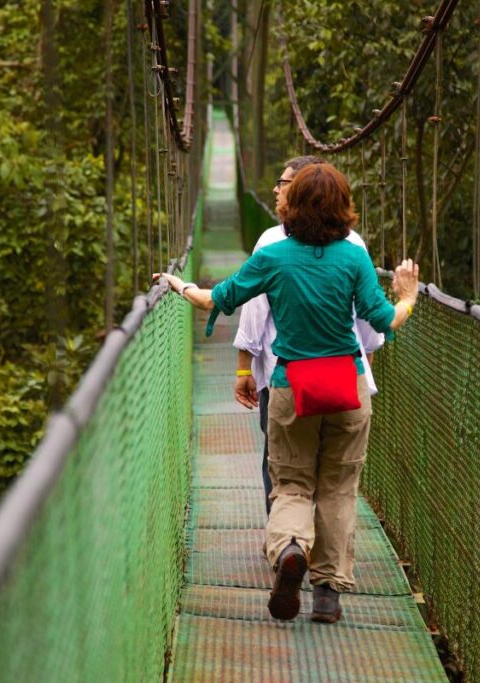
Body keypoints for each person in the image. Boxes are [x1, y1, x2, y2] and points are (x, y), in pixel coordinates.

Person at [155, 164, 419, 624]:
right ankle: (328, 596)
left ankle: (291, 549)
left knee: (292, 483)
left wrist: (178, 284)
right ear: (342, 207)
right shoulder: (354, 257)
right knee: (337, 488)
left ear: (290, 204)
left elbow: (213, 299)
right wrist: (408, 296)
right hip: (348, 388)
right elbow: (383, 321)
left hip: (291, 386)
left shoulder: (273, 255)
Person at [233, 155, 385, 515]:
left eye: (283, 184)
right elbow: (368, 321)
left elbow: (253, 312)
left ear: (303, 191)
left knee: (284, 465)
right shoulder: (355, 246)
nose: (275, 189)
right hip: (344, 374)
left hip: (282, 374)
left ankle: (287, 541)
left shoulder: (271, 243)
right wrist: (364, 373)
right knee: (334, 470)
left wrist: (244, 372)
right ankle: (323, 555)